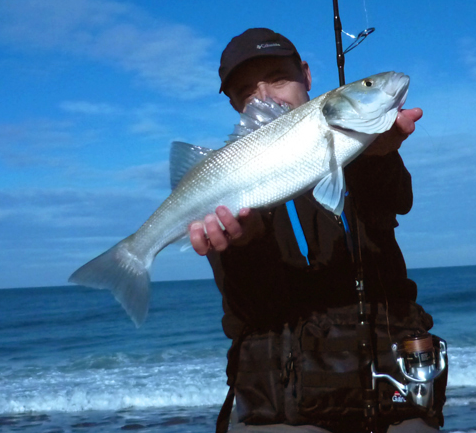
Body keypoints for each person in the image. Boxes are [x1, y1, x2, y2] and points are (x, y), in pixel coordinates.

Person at [189, 28, 443, 433]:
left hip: (392, 399)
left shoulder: (357, 145)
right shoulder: (230, 181)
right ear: (235, 103)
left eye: (277, 77)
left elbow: (396, 199)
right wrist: (246, 241)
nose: (265, 97)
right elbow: (245, 309)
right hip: (282, 410)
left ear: (306, 75)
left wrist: (377, 155)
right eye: (244, 91)